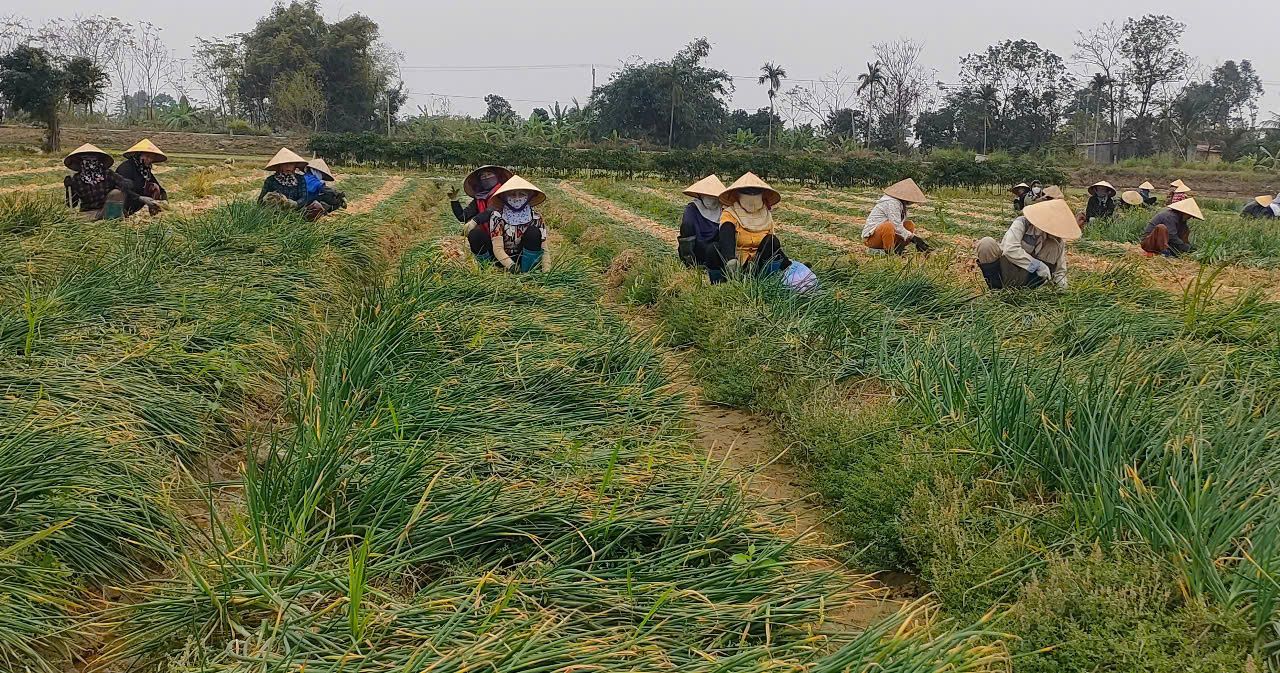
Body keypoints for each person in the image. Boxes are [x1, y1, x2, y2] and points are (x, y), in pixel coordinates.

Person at [975, 198, 1079, 290]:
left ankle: (1028, 292)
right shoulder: (1022, 223)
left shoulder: (1057, 241)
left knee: (1052, 246)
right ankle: (996, 290)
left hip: (1028, 281)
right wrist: (1038, 266)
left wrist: (1062, 288)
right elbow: (1010, 249)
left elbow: (1060, 270)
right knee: (986, 244)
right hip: (1006, 270)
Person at [712, 172, 789, 277]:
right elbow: (725, 235)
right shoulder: (730, 213)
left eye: (755, 193)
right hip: (738, 257)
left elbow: (774, 246)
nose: (751, 196)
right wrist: (730, 258)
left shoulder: (766, 214)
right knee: (719, 239)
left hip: (759, 260)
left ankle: (760, 274)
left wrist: (786, 263)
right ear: (738, 195)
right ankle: (731, 269)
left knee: (772, 240)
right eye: (747, 193)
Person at [485, 175, 550, 273]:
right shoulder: (497, 216)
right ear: (505, 197)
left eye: (521, 194)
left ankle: (527, 272)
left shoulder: (536, 217)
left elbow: (544, 248)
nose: (517, 198)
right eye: (512, 194)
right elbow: (498, 248)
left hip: (526, 258)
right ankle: (490, 268)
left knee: (533, 232)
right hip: (505, 260)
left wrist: (547, 271)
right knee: (476, 235)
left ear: (528, 196)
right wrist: (512, 267)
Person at [677, 174, 728, 280]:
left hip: (715, 253)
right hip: (696, 250)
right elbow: (686, 235)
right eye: (706, 196)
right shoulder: (692, 210)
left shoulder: (723, 211)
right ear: (700, 195)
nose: (710, 200)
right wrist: (690, 262)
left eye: (713, 196)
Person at [63, 143, 132, 220]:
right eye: (87, 160)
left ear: (98, 161)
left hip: (108, 210)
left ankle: (107, 216)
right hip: (88, 212)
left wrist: (123, 184)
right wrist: (68, 187)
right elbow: (72, 204)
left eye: (93, 160)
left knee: (116, 192)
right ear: (81, 162)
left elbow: (126, 185)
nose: (91, 163)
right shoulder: (76, 179)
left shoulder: (107, 174)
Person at [863, 178, 930, 254]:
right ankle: (889, 252)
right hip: (872, 238)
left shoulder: (900, 204)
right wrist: (914, 238)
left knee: (909, 225)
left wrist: (914, 238)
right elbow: (896, 226)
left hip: (886, 236)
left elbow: (900, 226)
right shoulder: (892, 202)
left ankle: (898, 249)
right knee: (888, 226)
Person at [258, 148, 325, 219]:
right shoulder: (271, 180)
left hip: (295, 211)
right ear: (280, 166)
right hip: (275, 213)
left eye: (291, 164)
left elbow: (304, 198)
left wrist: (294, 204)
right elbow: (260, 201)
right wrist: (269, 199)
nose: (288, 167)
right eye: (285, 164)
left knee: (316, 207)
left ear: (295, 166)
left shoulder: (300, 179)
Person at [115, 139, 167, 216]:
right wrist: (140, 198)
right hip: (124, 202)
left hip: (138, 202)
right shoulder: (126, 168)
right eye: (147, 156)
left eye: (152, 158)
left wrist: (164, 199)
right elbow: (122, 189)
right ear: (139, 155)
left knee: (155, 187)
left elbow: (159, 187)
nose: (149, 160)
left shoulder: (144, 171)